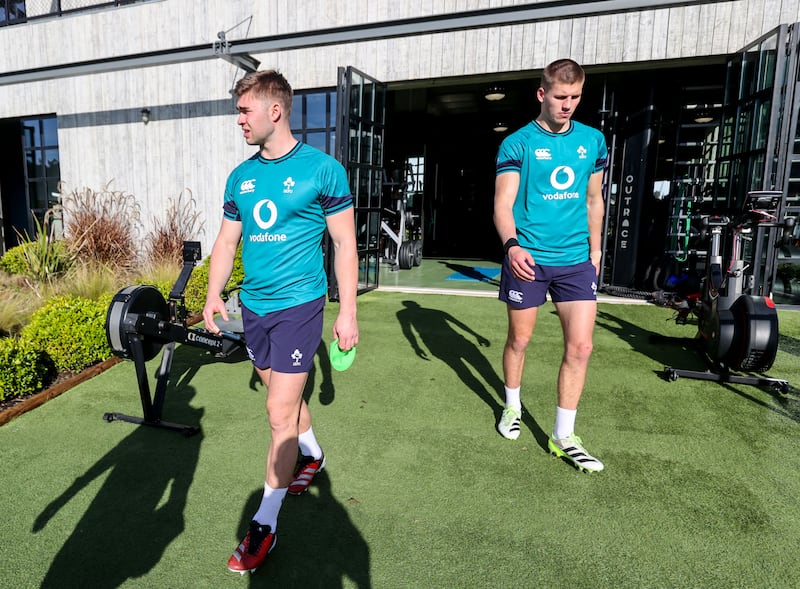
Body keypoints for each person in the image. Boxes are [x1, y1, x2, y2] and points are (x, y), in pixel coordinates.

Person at [202, 69, 359, 574]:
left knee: (276, 412)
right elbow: (227, 242)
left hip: (300, 305)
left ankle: (264, 525)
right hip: (254, 309)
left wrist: (348, 311)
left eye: (245, 111)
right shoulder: (240, 177)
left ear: (275, 110)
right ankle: (311, 456)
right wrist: (212, 293)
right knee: (284, 406)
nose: (239, 121)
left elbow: (344, 244)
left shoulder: (324, 170)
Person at [492, 58, 607, 473]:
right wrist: (512, 245)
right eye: (560, 97)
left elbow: (594, 199)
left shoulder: (592, 141)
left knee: (582, 347)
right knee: (519, 341)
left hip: (576, 261)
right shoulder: (518, 143)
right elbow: (503, 203)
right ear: (542, 94)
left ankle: (563, 435)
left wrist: (595, 251)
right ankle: (511, 405)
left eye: (575, 97)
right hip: (529, 259)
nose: (568, 105)